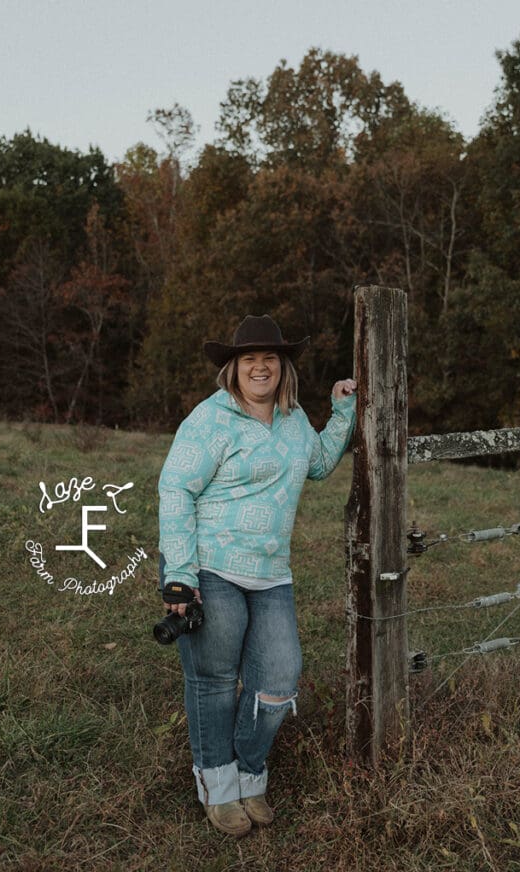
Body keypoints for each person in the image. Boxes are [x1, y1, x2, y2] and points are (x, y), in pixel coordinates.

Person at [158, 314, 356, 837]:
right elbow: (175, 489)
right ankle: (217, 786)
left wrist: (342, 410)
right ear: (234, 367)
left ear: (283, 366)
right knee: (216, 680)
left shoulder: (292, 420)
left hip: (271, 573)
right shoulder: (211, 418)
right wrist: (179, 576)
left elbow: (316, 463)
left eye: (270, 358)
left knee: (279, 677)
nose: (260, 367)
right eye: (250, 359)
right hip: (209, 567)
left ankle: (249, 769)